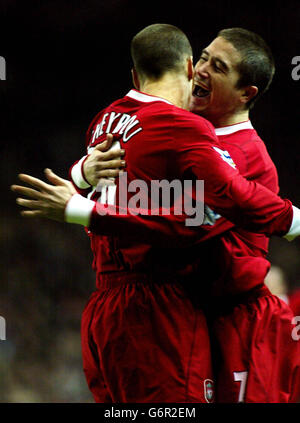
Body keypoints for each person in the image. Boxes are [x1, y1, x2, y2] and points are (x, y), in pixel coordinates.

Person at [11, 24, 300, 403]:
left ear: (246, 93)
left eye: (219, 67)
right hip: (176, 313)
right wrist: (83, 171)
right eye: (202, 58)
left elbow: (188, 224)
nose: (201, 70)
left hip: (237, 326)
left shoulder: (243, 155)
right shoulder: (174, 132)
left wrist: (294, 221)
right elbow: (122, 185)